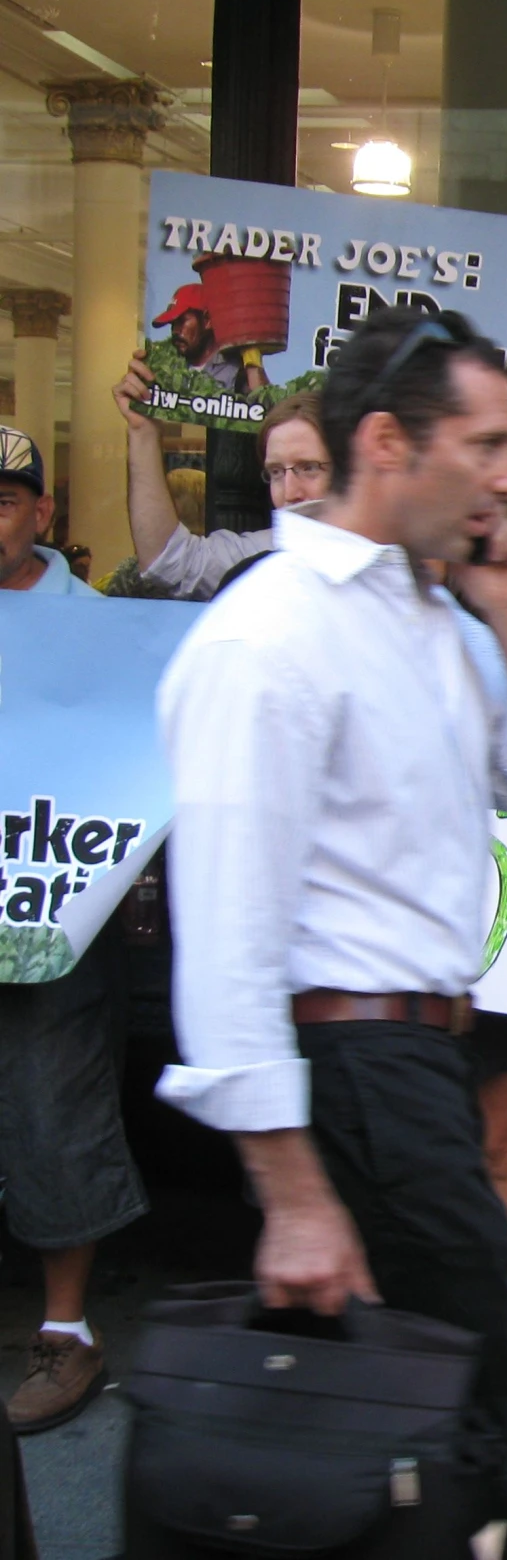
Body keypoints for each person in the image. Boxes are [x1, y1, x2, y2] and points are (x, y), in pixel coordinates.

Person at [155, 306, 507, 1559]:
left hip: (421, 1068)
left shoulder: (438, 621)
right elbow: (226, 938)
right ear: (391, 444)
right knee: (445, 1445)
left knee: (449, 1443)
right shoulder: (270, 630)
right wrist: (291, 1192)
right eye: (489, 445)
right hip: (347, 1077)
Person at [0, 428, 148, 1437]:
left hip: (49, 912)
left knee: (56, 1104)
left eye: (5, 499)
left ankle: (68, 1331)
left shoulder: (96, 627)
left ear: (42, 513)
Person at [116, 354, 507, 628]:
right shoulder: (269, 561)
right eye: (276, 473)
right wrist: (142, 436)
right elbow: (170, 563)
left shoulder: (455, 549)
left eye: (308, 468)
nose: (290, 491)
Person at [151, 282, 258, 390]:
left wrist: (254, 367)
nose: (175, 331)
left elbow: (265, 403)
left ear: (207, 320)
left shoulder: (235, 372)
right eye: (172, 323)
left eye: (182, 321)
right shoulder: (165, 369)